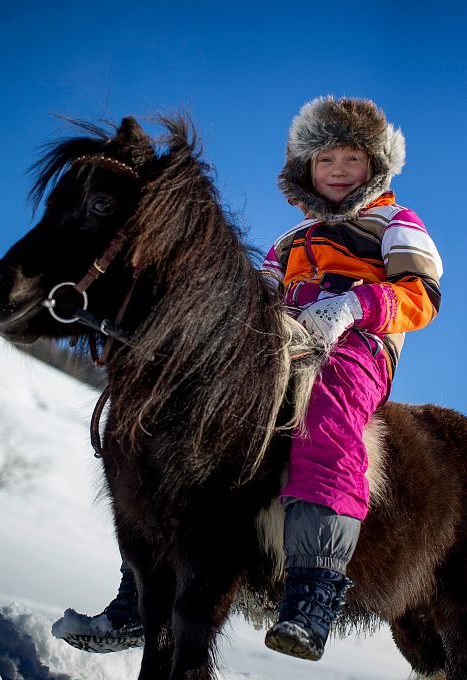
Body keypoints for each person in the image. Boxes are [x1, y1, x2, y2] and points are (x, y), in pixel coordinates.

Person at [56, 96, 443, 661]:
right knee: (184, 427)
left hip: (354, 346)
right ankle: (138, 595)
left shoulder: (395, 223)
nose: (337, 170)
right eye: (324, 159)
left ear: (376, 167)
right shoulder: (289, 243)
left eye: (351, 159)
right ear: (305, 169)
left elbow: (421, 293)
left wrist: (353, 307)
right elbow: (252, 300)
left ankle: (313, 588)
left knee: (326, 417)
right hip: (278, 345)